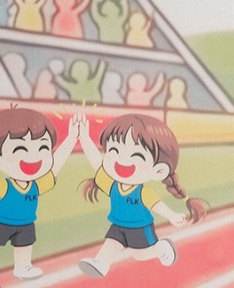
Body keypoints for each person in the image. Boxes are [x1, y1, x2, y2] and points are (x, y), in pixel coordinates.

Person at [0, 108, 83, 281]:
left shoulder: (36, 185)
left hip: (25, 223)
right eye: (21, 149)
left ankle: (23, 267)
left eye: (43, 148)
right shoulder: (5, 185)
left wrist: (71, 138)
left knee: (24, 247)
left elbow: (55, 167)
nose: (34, 156)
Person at [74, 113, 208, 276]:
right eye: (114, 150)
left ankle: (160, 248)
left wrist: (171, 215)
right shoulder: (112, 185)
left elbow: (156, 205)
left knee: (140, 255)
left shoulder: (142, 192)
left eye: (136, 155)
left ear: (158, 171)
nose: (122, 160)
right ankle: (101, 263)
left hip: (139, 228)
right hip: (118, 225)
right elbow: (97, 163)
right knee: (112, 243)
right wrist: (84, 137)